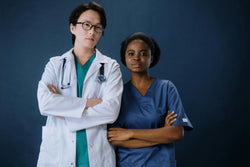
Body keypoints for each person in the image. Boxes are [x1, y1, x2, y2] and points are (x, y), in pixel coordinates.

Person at [36, 2, 123, 167]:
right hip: (58, 155)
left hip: (96, 155)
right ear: (72, 28)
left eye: (98, 27)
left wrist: (63, 112)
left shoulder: (111, 67)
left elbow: (111, 111)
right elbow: (45, 104)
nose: (92, 31)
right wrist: (88, 103)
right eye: (86, 25)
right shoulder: (55, 65)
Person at [108, 32, 193, 167]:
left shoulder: (166, 88)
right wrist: (162, 134)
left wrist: (130, 133)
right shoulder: (117, 93)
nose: (136, 58)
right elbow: (115, 139)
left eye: (143, 53)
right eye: (131, 53)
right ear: (124, 58)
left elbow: (176, 133)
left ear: (151, 58)